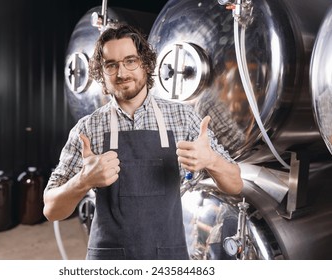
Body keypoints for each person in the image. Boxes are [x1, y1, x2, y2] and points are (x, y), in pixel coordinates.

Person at [43, 24, 243, 260]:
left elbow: (236, 184)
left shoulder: (184, 118)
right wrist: (82, 181)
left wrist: (212, 160)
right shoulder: (88, 128)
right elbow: (51, 210)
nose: (121, 73)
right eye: (111, 65)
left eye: (130, 61)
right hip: (109, 257)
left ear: (146, 64)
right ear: (101, 73)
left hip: (168, 256)